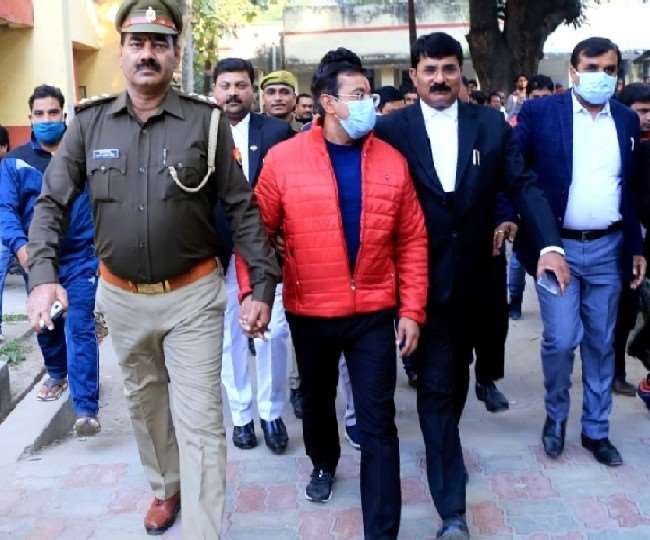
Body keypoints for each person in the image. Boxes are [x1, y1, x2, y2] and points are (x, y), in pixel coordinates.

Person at [24, 2, 280, 538]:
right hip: (121, 298)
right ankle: (166, 487)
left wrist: (261, 284)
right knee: (146, 407)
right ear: (121, 52)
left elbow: (242, 208)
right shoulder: (89, 124)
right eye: (137, 43)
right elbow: (51, 203)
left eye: (159, 43)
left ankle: (205, 529)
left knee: (201, 420)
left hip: (193, 296)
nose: (147, 53)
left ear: (175, 53)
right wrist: (43, 275)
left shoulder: (207, 122)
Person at [375, 32, 569, 539]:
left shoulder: (489, 124)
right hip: (420, 282)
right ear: (414, 75)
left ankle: (446, 444)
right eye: (430, 69)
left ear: (461, 73)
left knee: (455, 381)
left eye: (448, 69)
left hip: (477, 281)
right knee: (436, 389)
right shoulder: (389, 130)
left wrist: (549, 245)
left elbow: (522, 185)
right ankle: (452, 511)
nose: (440, 79)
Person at [237, 47, 428, 539]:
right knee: (317, 403)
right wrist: (253, 294)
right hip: (311, 310)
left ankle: (381, 531)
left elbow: (411, 239)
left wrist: (411, 309)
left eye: (369, 94)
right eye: (358, 94)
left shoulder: (391, 161)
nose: (369, 103)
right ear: (327, 102)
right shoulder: (284, 160)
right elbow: (256, 234)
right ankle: (323, 461)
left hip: (373, 312)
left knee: (379, 421)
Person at [515, 37, 645, 467]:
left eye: (609, 70)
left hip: (609, 247)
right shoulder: (540, 113)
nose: (600, 77)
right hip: (558, 249)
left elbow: (630, 190)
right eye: (591, 67)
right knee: (560, 339)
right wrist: (509, 219)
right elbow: (516, 173)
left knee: (601, 342)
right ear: (573, 71)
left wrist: (636, 245)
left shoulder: (625, 120)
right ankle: (555, 417)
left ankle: (596, 430)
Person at [0, 84, 100, 435]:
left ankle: (86, 408)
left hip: (80, 258)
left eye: (53, 113)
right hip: (37, 260)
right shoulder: (15, 162)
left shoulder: (81, 157)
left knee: (80, 325)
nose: (46, 120)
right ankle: (57, 373)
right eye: (39, 114)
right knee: (46, 325)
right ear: (29, 118)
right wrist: (21, 248)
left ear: (64, 115)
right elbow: (5, 209)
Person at [212, 57, 293, 453]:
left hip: (264, 250)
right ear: (214, 91)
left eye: (240, 85)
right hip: (216, 251)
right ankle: (242, 415)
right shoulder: (200, 132)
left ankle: (271, 412)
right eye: (225, 86)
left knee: (272, 332)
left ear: (252, 90)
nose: (233, 93)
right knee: (230, 334)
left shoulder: (277, 132)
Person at [507, 74, 556, 319]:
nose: (540, 102)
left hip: (552, 206)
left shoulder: (560, 123)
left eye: (545, 97)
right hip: (525, 205)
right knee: (518, 260)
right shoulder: (518, 124)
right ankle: (514, 300)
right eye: (536, 97)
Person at [613, 82, 650, 397]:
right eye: (642, 111)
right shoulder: (618, 144)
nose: (648, 117)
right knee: (623, 312)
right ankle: (616, 372)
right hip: (624, 239)